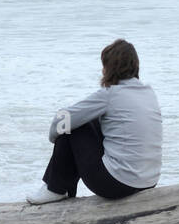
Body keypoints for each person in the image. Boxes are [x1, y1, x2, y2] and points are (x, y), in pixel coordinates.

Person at [27, 38, 162, 204]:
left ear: (109, 68)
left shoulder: (111, 94)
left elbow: (61, 119)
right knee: (91, 121)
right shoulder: (148, 92)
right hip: (149, 182)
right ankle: (59, 187)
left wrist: (57, 140)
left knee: (71, 125)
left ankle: (55, 189)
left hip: (117, 185)